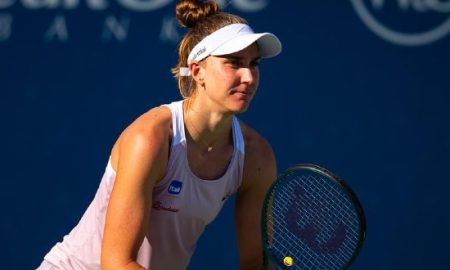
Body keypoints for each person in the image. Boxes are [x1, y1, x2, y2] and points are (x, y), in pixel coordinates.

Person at [37, 0, 282, 269]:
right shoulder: (150, 139)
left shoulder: (256, 156)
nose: (248, 77)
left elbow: (255, 263)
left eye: (254, 64)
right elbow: (117, 263)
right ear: (198, 71)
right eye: (234, 63)